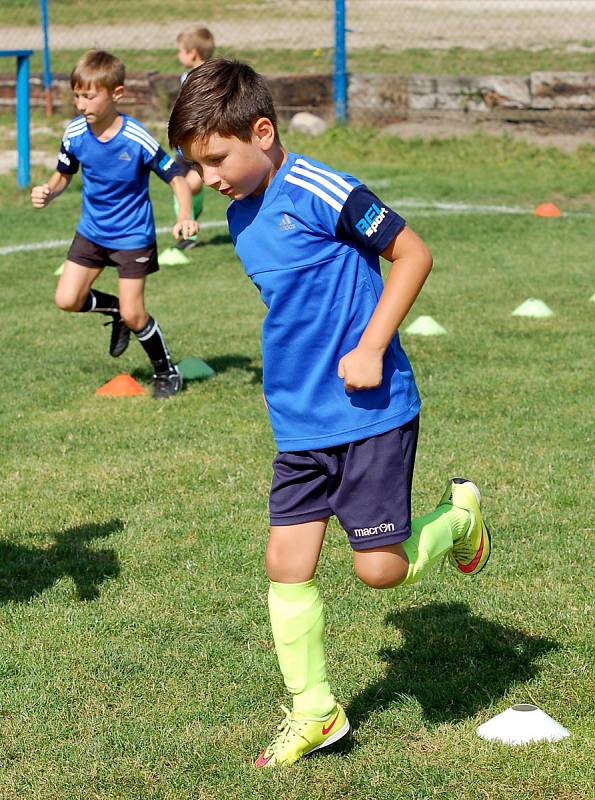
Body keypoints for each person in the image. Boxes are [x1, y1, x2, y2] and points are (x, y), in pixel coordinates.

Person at [168, 58, 492, 766]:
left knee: (377, 571)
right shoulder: (241, 215)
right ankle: (316, 711)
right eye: (198, 165)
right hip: (297, 420)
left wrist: (372, 346)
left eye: (218, 158)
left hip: (367, 412)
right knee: (285, 564)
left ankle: (459, 515)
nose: (210, 177)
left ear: (261, 131)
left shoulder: (321, 189)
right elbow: (294, 312)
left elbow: (411, 253)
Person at [31, 50, 197, 399]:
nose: (81, 103)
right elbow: (63, 175)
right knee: (66, 298)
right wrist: (49, 191)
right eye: (77, 94)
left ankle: (167, 371)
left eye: (90, 96)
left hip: (132, 237)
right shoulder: (74, 133)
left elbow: (177, 179)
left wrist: (184, 215)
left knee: (136, 314)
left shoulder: (135, 138)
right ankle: (116, 313)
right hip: (91, 231)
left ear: (115, 94)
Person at [172, 26, 215, 250]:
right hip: (183, 144)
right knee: (181, 184)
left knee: (191, 184)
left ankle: (187, 231)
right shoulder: (184, 77)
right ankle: (186, 231)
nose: (178, 55)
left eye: (180, 50)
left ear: (192, 53)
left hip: (204, 145)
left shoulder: (212, 78)